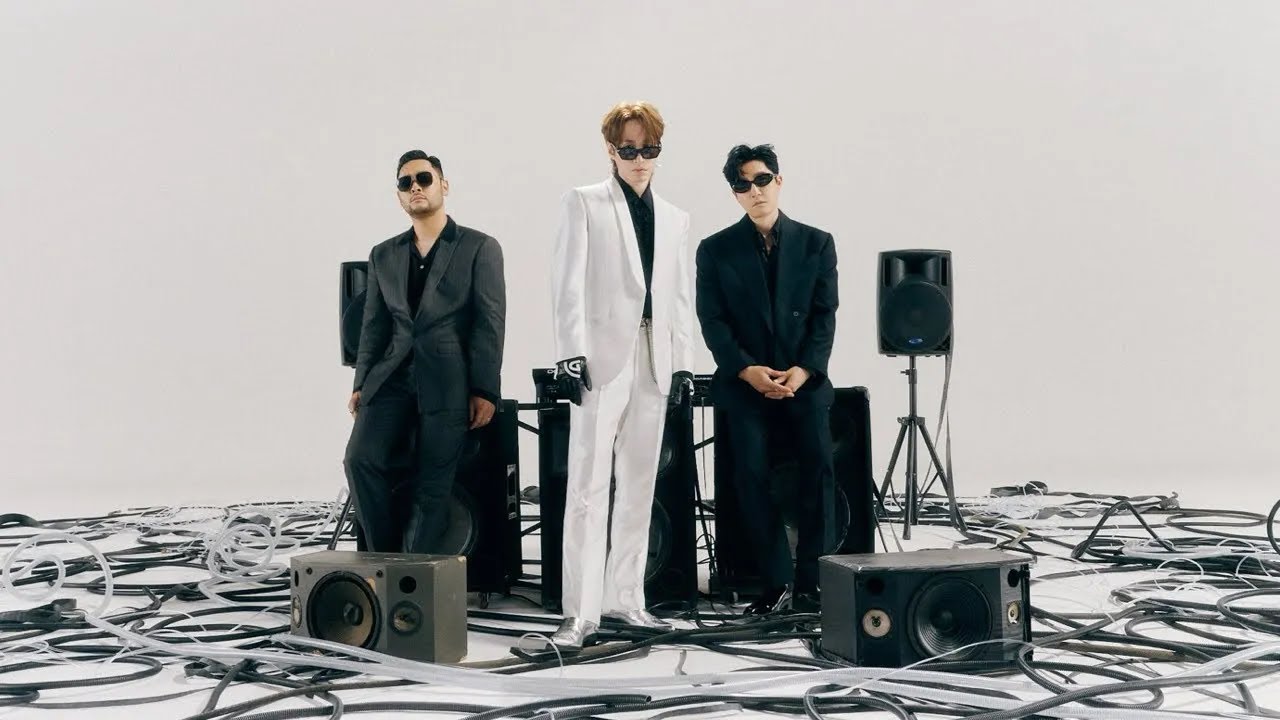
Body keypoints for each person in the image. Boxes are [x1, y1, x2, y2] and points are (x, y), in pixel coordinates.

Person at [544, 101, 695, 651]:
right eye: (628, 149)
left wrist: (684, 362)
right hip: (602, 359)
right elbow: (567, 282)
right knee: (587, 488)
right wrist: (570, 354)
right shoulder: (584, 202)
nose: (639, 159)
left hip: (656, 358)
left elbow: (680, 297)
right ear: (610, 149)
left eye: (649, 149)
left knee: (640, 484)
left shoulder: (676, 218)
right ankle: (579, 614)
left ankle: (626, 600)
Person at [695, 143, 838, 614]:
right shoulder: (714, 250)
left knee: (819, 471)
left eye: (761, 180)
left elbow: (824, 315)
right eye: (742, 185)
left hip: (803, 379)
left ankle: (815, 584)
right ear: (734, 194)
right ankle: (776, 583)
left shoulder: (817, 243)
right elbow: (712, 320)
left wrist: (804, 370)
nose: (753, 191)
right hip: (744, 383)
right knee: (750, 476)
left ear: (778, 180)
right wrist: (746, 370)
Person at [344, 150, 506, 555]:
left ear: (443, 185)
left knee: (433, 486)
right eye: (406, 182)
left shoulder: (479, 247)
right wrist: (362, 383)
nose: (415, 187)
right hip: (391, 378)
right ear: (399, 195)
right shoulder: (383, 254)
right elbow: (374, 326)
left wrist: (485, 389)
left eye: (424, 178)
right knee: (359, 460)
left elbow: (489, 322)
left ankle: (412, 575)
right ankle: (383, 561)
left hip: (448, 381)